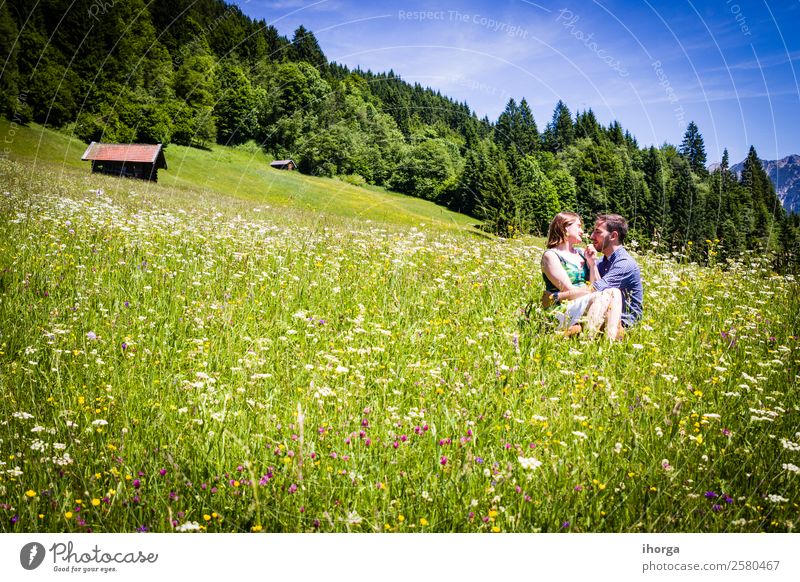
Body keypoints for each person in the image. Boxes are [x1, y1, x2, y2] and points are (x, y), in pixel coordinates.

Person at [540, 212, 623, 339]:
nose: (582, 231)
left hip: (584, 301)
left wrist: (592, 262)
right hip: (563, 307)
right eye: (578, 226)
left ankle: (608, 341)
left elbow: (599, 286)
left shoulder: (581, 253)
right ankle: (589, 341)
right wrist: (591, 290)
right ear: (565, 228)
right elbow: (568, 292)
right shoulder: (551, 255)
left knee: (615, 292)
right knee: (606, 295)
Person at [584, 214, 643, 333]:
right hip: (603, 315)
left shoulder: (624, 264)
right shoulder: (602, 262)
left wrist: (558, 296)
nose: (591, 236)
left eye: (597, 232)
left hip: (623, 326)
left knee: (573, 328)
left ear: (613, 236)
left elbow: (596, 291)